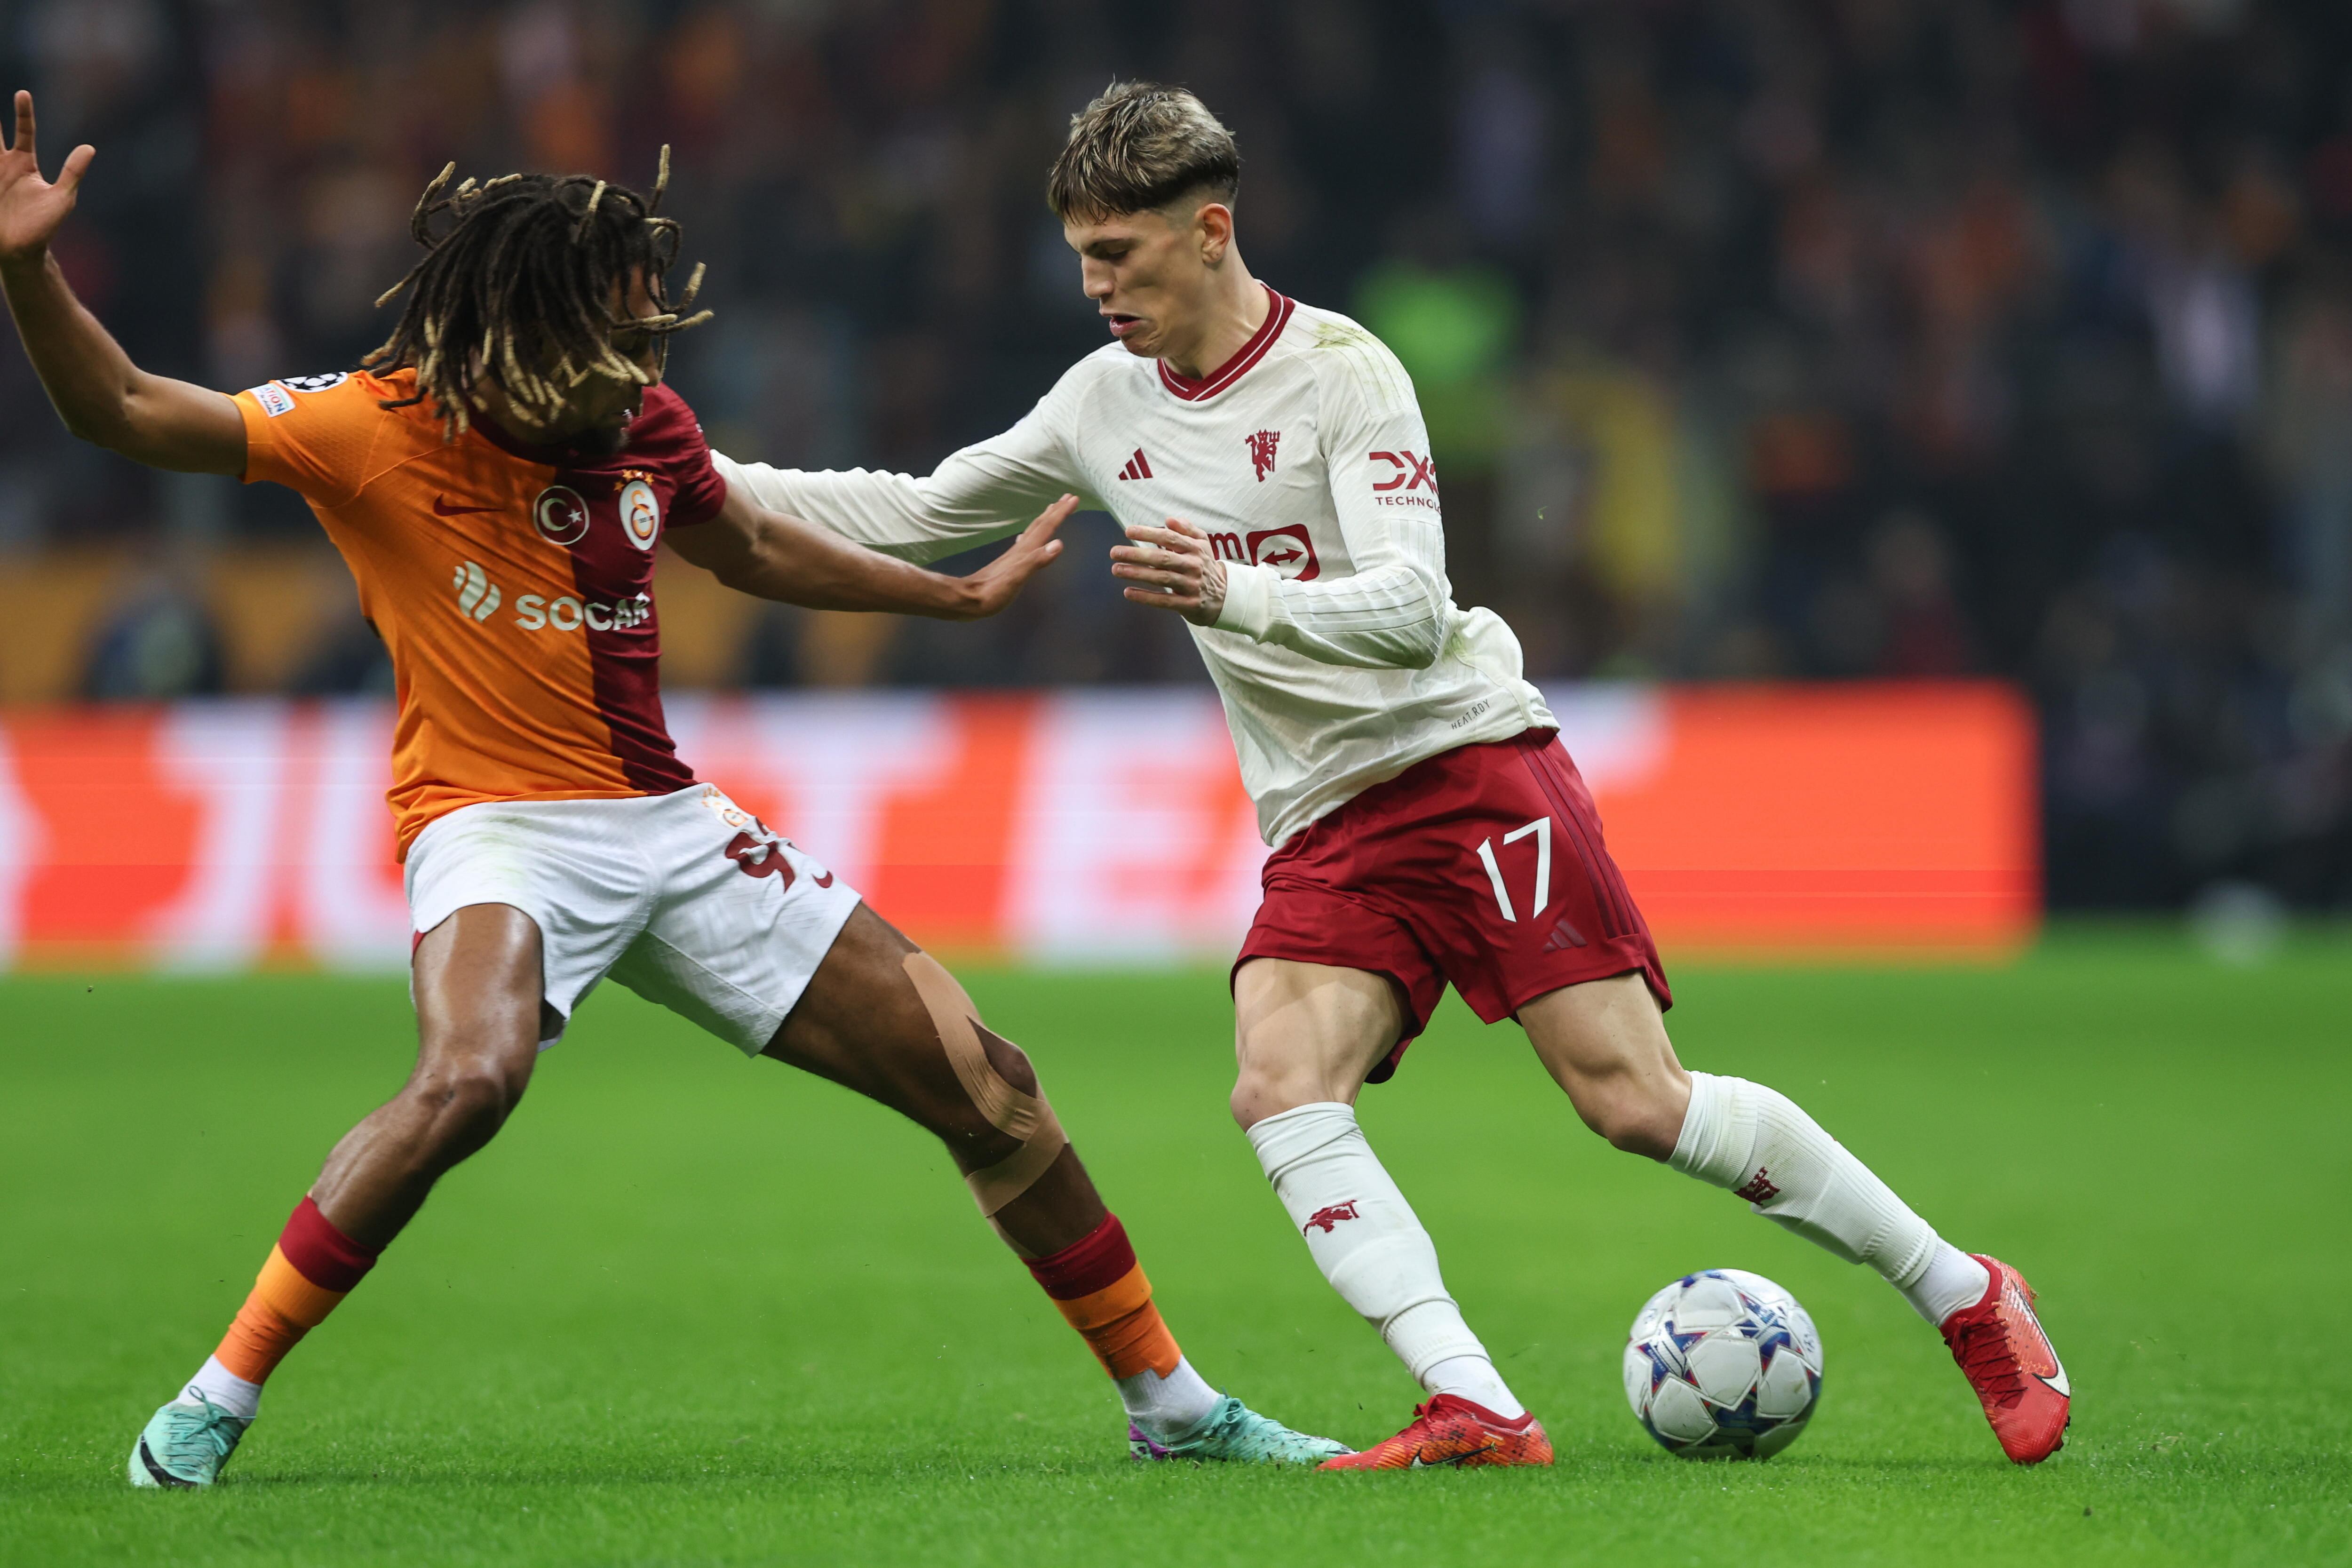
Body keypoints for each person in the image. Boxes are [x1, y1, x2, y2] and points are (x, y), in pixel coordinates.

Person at [715, 82, 2072, 1470]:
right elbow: (929, 510)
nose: (1093, 285)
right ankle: (1475, 1404)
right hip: (1322, 816)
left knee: (1631, 1099)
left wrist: (1229, 593)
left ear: (1209, 232)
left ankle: (1967, 1295)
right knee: (1280, 1078)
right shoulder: (1100, 403)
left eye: (1117, 253)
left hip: (1465, 763)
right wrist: (693, 474)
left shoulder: (1345, 373)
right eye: (1081, 254)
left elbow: (1413, 609)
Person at [0, 90, 1345, 1488]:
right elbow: (127, 409)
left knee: (991, 1090)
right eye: (628, 325)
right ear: (534, 321)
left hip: (672, 827)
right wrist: (28, 266)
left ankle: (1174, 1408)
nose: (650, 351)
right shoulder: (374, 423)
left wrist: (948, 598)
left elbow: (751, 543)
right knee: (471, 1077)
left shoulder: (643, 422)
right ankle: (217, 1398)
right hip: (494, 827)